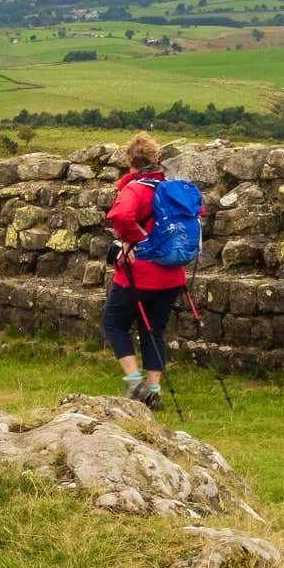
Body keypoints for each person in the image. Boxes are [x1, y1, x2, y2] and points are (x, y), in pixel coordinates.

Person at [102, 133, 183, 409]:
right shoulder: (172, 188)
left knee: (114, 323)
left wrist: (132, 240)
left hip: (140, 273)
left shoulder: (135, 189)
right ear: (156, 159)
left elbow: (121, 216)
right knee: (154, 330)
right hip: (172, 273)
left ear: (130, 162)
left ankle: (135, 384)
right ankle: (154, 391)